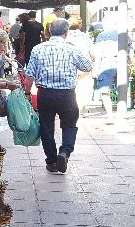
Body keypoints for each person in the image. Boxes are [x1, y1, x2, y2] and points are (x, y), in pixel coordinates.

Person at [23, 18, 93, 174]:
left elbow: (29, 75)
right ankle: (65, 152)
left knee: (47, 128)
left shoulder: (38, 49)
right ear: (66, 33)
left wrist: (27, 93)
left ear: (49, 31)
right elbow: (88, 66)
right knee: (69, 126)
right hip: (67, 94)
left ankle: (52, 161)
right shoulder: (72, 49)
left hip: (45, 94)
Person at [92, 29, 119, 115]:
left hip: (105, 63)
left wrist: (95, 68)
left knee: (104, 91)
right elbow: (130, 52)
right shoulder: (124, 35)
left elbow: (98, 53)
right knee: (122, 90)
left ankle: (110, 115)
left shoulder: (101, 35)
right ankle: (121, 114)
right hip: (121, 63)